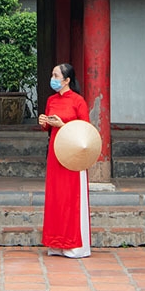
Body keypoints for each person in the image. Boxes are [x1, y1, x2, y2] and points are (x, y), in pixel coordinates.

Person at [38, 63, 91, 258]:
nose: (53, 78)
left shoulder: (78, 101)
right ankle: (56, 243)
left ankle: (74, 244)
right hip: (55, 151)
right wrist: (45, 123)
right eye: (52, 74)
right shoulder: (51, 99)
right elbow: (48, 128)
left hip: (73, 154)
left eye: (56, 75)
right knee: (56, 197)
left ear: (67, 80)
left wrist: (63, 124)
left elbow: (85, 129)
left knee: (71, 197)